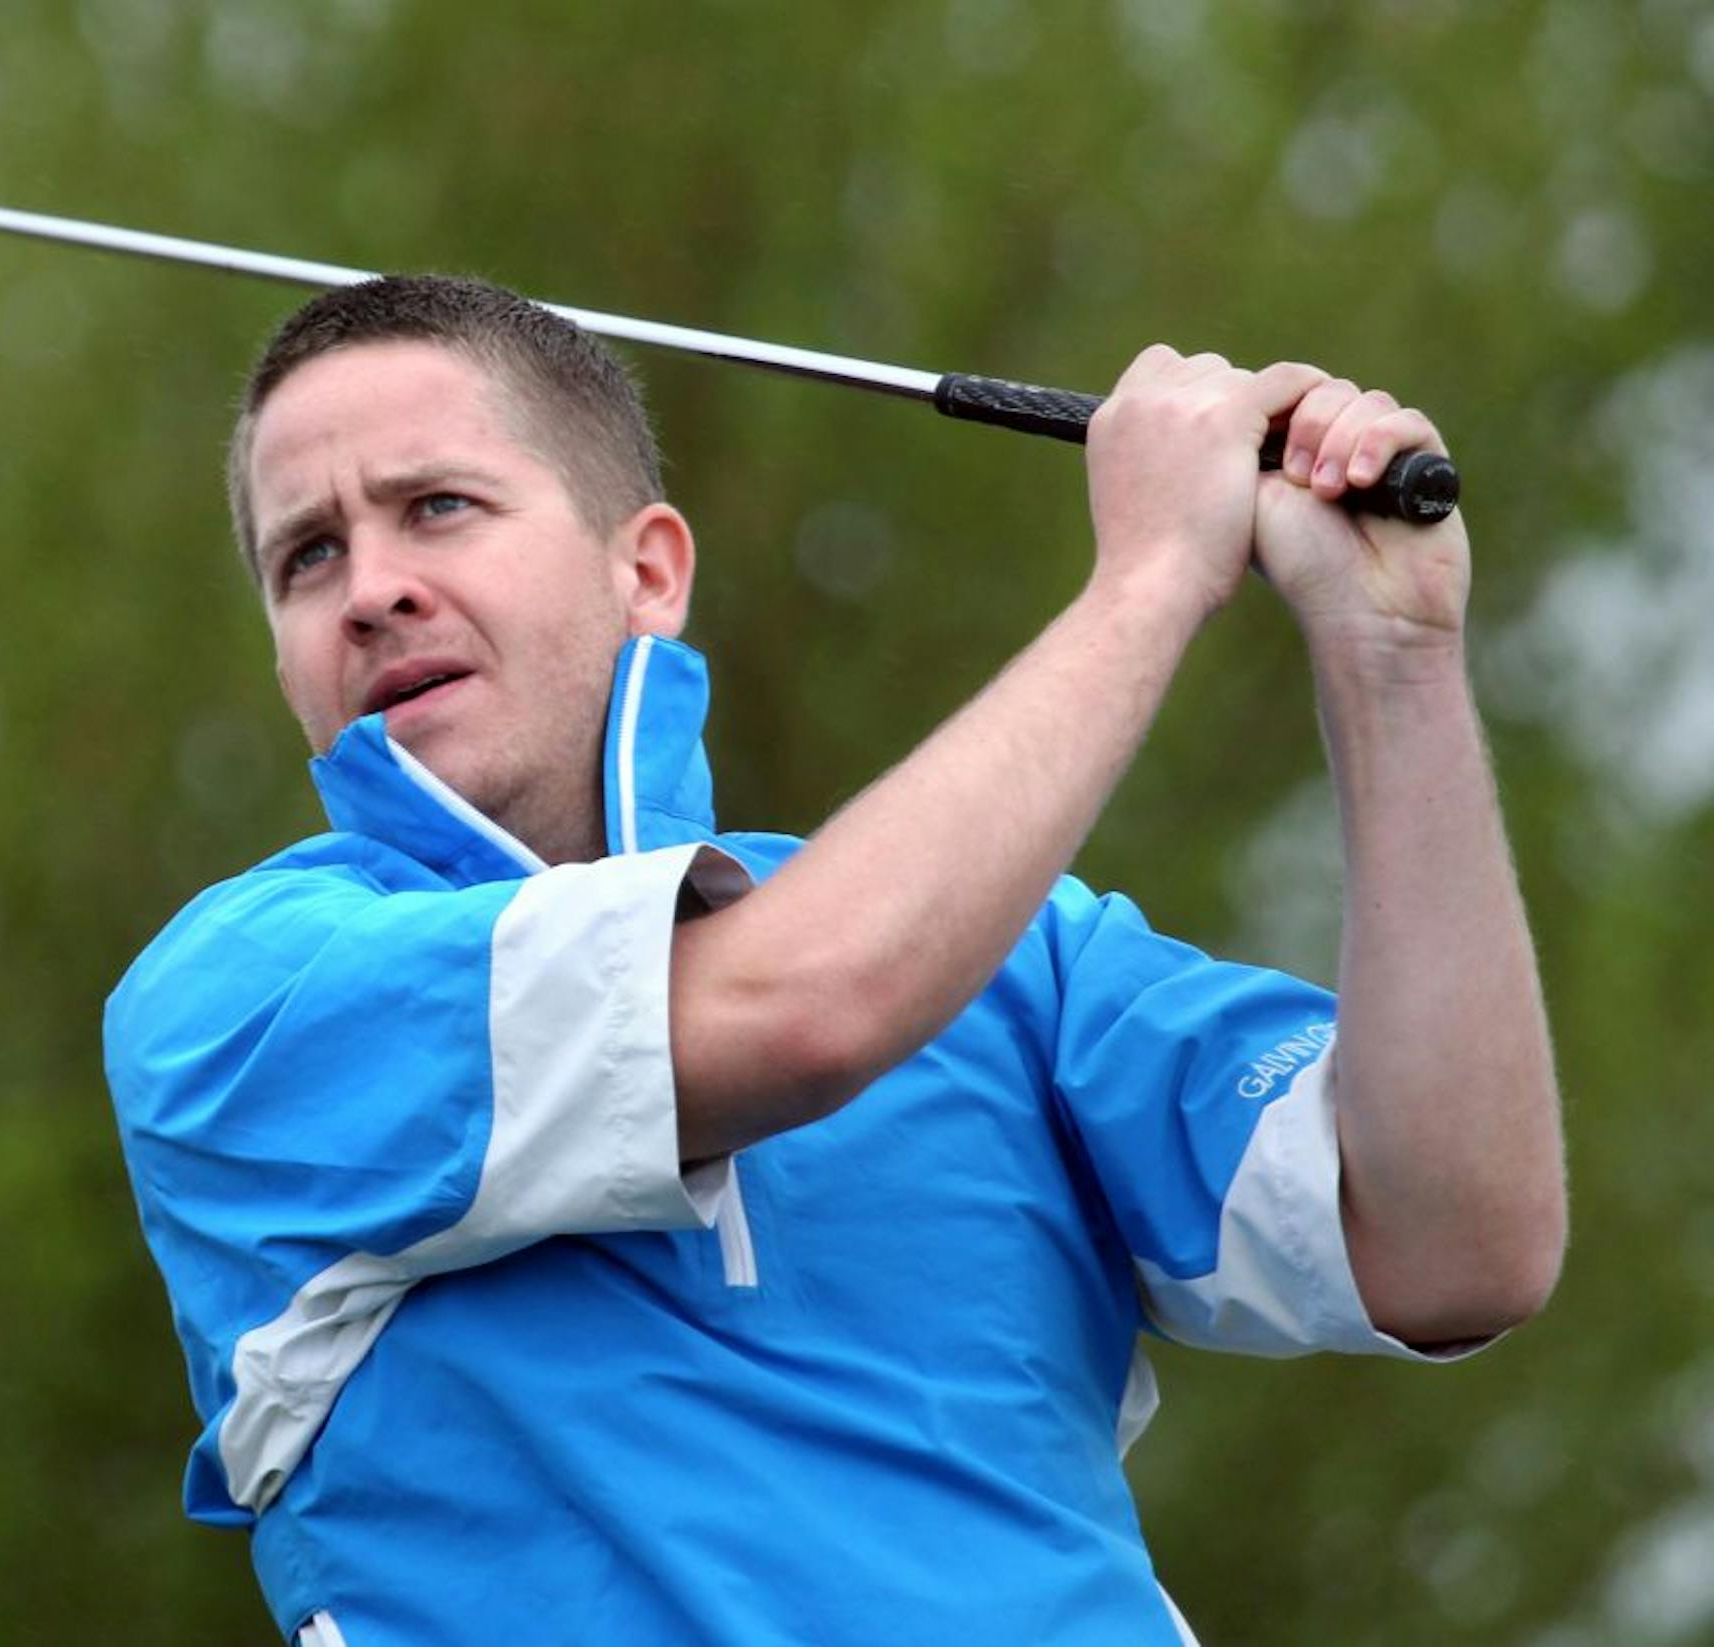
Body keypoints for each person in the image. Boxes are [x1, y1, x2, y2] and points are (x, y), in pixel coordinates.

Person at [104, 275, 1566, 1645]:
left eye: (437, 507)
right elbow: (803, 1007)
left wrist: (1394, 660)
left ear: (648, 571)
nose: (371, 587)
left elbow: (1454, 1247)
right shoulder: (238, 997)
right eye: (309, 555)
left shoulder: (1008, 948)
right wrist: (1148, 580)